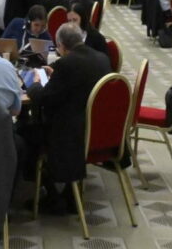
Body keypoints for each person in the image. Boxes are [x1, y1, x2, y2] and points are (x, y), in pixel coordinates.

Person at [22, 22, 110, 195]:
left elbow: (45, 99)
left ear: (61, 45)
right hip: (98, 128)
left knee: (25, 131)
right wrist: (57, 76)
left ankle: (46, 188)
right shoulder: (102, 58)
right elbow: (76, 84)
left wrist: (35, 84)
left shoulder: (67, 64)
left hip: (70, 134)